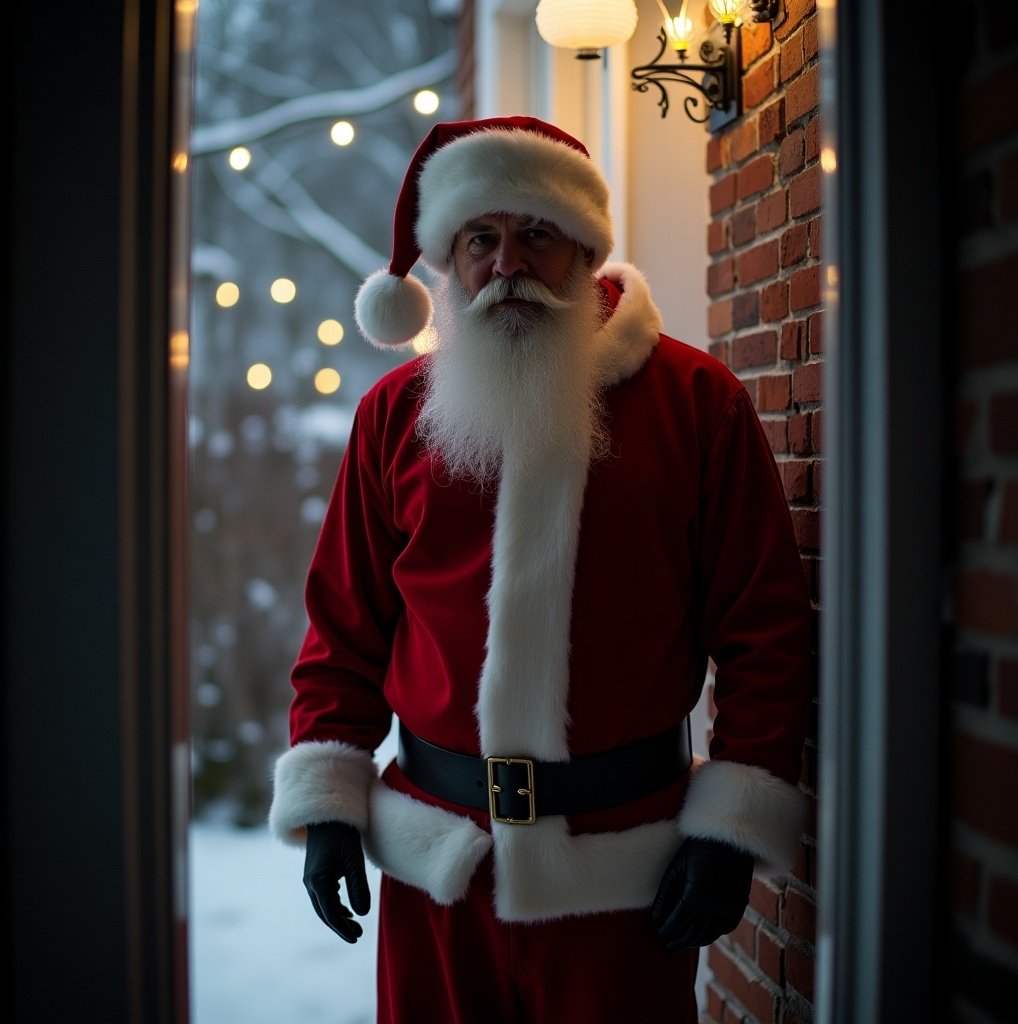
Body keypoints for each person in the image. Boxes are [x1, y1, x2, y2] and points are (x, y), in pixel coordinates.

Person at [269, 116, 812, 1023]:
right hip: (436, 869)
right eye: (481, 238)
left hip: (624, 873)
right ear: (450, 259)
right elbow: (344, 627)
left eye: (535, 233)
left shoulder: (693, 402)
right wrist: (329, 799)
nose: (506, 263)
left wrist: (729, 831)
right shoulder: (393, 416)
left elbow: (765, 629)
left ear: (583, 250)